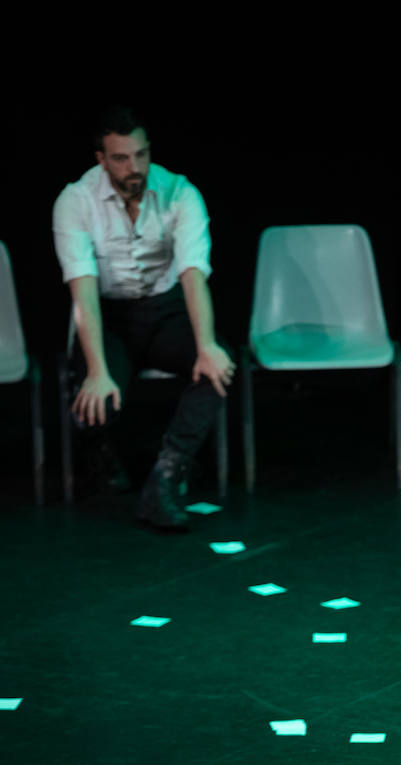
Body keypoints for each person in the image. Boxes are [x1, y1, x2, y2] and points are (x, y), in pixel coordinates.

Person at [52, 106, 234, 530]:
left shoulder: (179, 192)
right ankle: (99, 453)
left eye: (140, 155)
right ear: (101, 159)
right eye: (120, 158)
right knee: (90, 399)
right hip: (107, 315)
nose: (133, 167)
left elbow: (192, 274)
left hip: (164, 308)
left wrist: (206, 346)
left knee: (218, 366)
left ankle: (166, 476)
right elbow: (82, 288)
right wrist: (96, 370)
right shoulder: (75, 201)